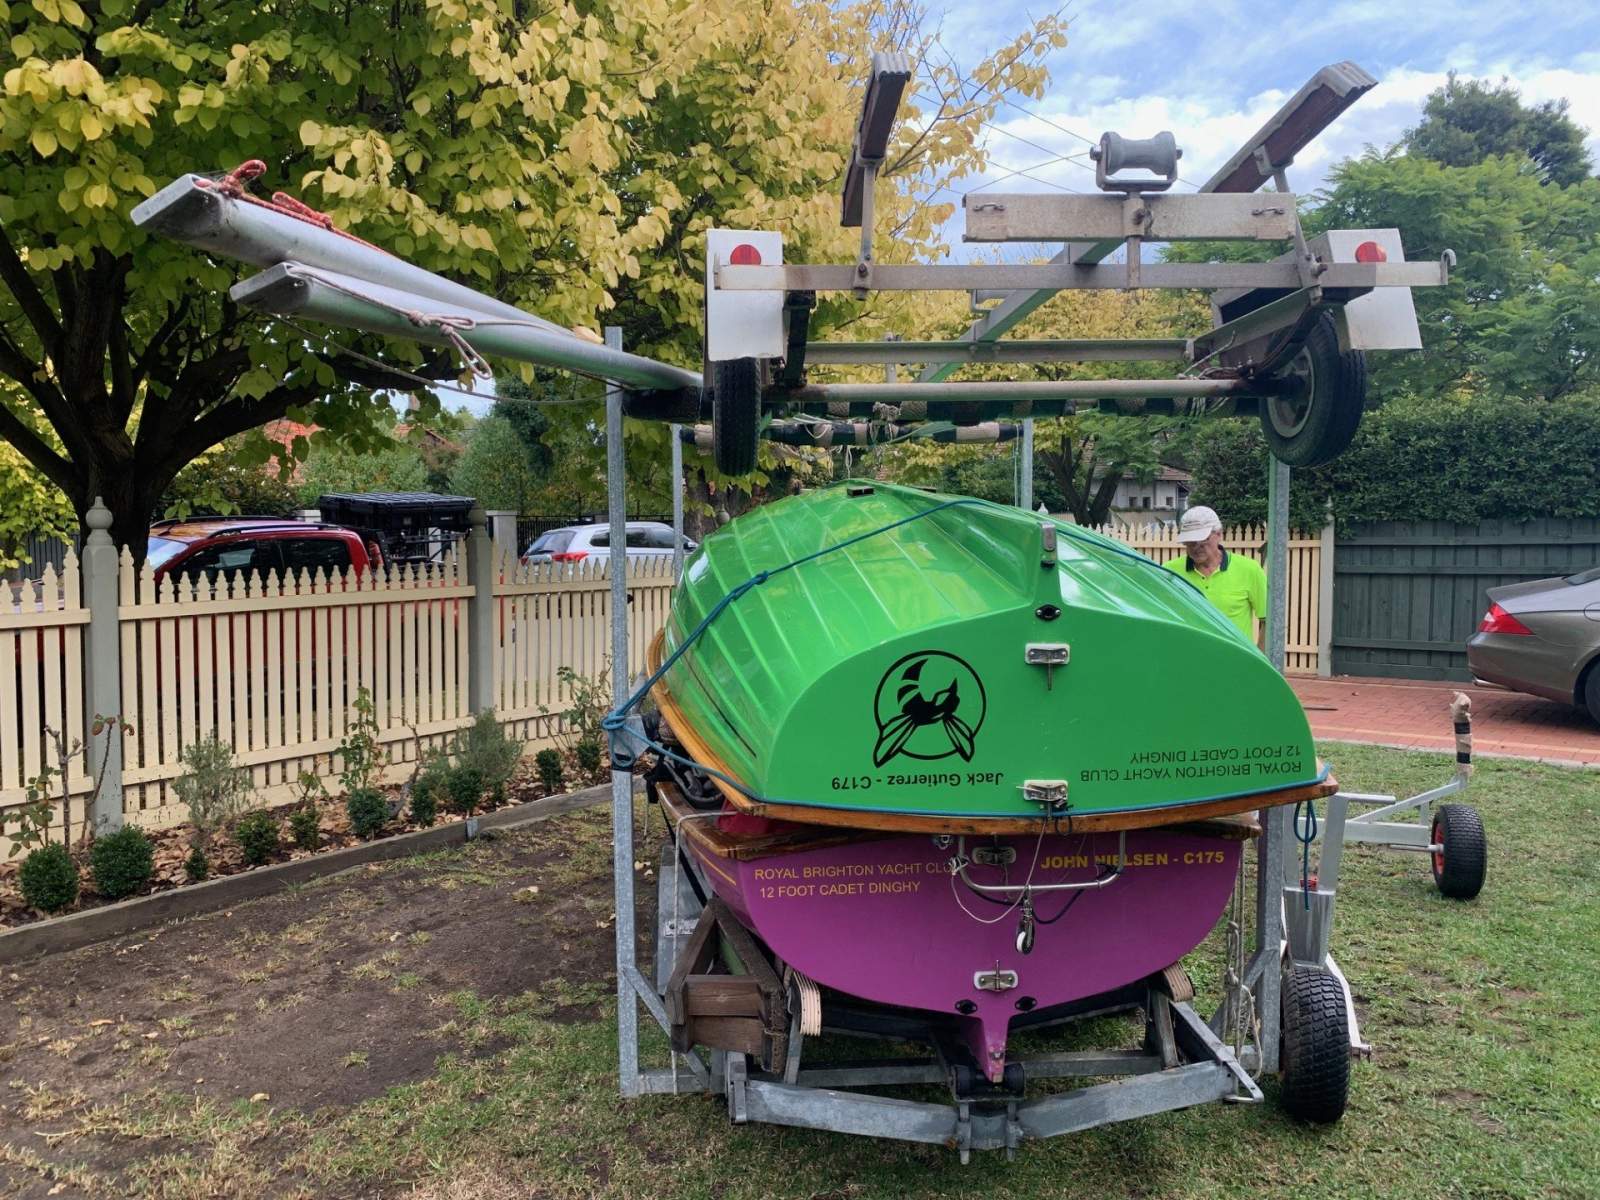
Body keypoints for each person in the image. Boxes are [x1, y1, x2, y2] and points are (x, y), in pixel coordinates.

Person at [1164, 505, 1267, 651]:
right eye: (1190, 541)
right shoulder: (1170, 572)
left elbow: (1268, 619)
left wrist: (1259, 657)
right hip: (1186, 659)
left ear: (1219, 534)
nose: (1196, 546)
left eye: (1202, 539)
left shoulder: (1249, 569)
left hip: (1234, 660)